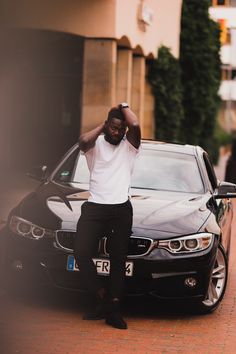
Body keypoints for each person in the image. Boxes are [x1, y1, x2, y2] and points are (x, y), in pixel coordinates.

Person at [74, 103, 141, 330]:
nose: (117, 132)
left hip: (121, 208)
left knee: (118, 260)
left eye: (120, 129)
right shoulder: (95, 145)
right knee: (81, 252)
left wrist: (123, 106)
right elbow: (82, 142)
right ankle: (102, 298)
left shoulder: (130, 146)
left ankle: (114, 308)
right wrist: (103, 125)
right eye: (113, 128)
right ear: (106, 126)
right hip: (95, 206)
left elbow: (135, 124)